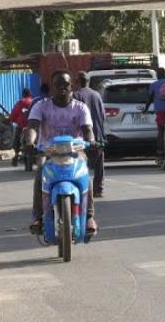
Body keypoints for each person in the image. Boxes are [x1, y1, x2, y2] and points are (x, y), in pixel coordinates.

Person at [24, 71, 96, 236]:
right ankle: (38, 216)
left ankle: (90, 216)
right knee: (40, 172)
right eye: (58, 85)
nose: (62, 88)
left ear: (72, 86)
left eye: (66, 85)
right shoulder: (41, 106)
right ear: (52, 87)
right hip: (48, 152)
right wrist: (30, 142)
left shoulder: (80, 107)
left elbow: (87, 129)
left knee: (85, 174)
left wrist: (91, 141)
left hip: (75, 152)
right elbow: (33, 126)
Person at [72, 71, 107, 198]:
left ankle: (83, 189)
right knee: (99, 162)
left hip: (83, 137)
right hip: (98, 134)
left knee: (80, 163)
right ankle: (99, 188)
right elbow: (103, 115)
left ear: (77, 82)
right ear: (88, 81)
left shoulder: (76, 95)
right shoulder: (97, 95)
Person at [8, 87, 34, 166]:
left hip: (21, 126)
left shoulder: (20, 103)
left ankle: (15, 157)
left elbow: (13, 115)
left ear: (23, 94)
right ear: (30, 94)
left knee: (16, 141)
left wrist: (13, 120)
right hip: (32, 126)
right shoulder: (34, 102)